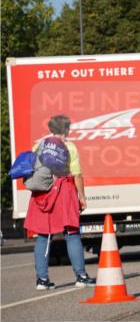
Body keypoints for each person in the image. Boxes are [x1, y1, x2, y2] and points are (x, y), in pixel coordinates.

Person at [25, 115, 96, 290]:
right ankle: (81, 276)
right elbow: (77, 175)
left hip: (42, 194)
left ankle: (42, 280)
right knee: (71, 234)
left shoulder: (38, 145)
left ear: (51, 129)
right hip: (64, 191)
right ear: (67, 130)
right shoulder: (70, 147)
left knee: (43, 236)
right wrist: (82, 197)